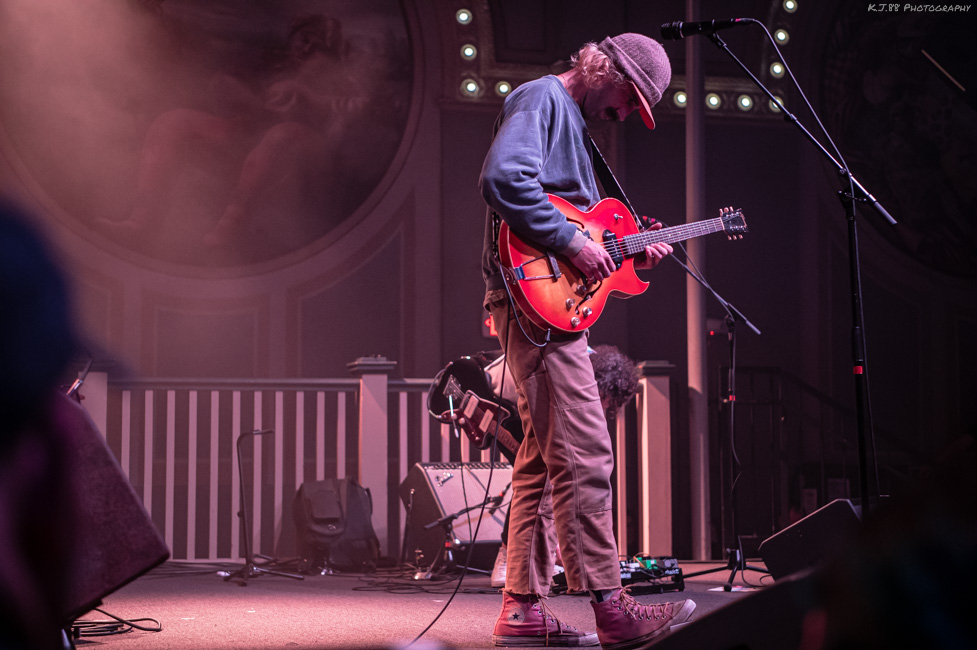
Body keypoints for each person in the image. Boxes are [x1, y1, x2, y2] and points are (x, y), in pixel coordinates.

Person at [478, 33, 694, 648]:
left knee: (542, 463)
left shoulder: (569, 121)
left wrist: (628, 256)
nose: (625, 115)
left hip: (549, 305)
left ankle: (521, 611)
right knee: (588, 455)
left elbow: (584, 228)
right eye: (630, 100)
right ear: (608, 70)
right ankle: (612, 608)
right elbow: (504, 179)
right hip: (538, 310)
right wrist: (574, 244)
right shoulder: (543, 97)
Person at [479, 345, 641, 589]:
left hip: (514, 402)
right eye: (605, 399)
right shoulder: (572, 372)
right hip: (495, 403)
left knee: (543, 477)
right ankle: (512, 562)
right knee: (540, 476)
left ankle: (526, 571)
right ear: (600, 382)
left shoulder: (577, 364)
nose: (604, 407)